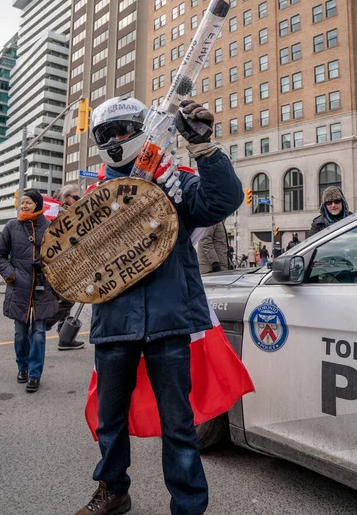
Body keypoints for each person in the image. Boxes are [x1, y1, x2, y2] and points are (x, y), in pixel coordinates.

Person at [74, 96, 243, 515]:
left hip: (169, 320)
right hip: (114, 323)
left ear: (142, 128)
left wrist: (204, 148)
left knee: (179, 425)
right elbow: (73, 262)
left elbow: (222, 201)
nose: (116, 139)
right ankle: (113, 490)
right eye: (107, 134)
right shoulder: (93, 197)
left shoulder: (175, 181)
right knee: (109, 421)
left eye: (124, 130)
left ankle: (188, 506)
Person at [0, 189, 58, 393]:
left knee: (38, 333)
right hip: (18, 287)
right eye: (22, 203)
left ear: (38, 204)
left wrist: (47, 265)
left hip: (42, 288)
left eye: (28, 202)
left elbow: (61, 257)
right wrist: (11, 275)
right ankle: (22, 367)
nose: (24, 206)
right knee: (21, 333)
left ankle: (35, 374)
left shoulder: (50, 227)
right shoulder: (12, 226)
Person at [45, 184, 85, 350]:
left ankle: (65, 337)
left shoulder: (69, 212)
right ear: (66, 197)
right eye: (75, 197)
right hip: (61, 264)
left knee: (64, 299)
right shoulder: (60, 214)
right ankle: (43, 325)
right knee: (67, 300)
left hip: (70, 262)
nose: (78, 200)